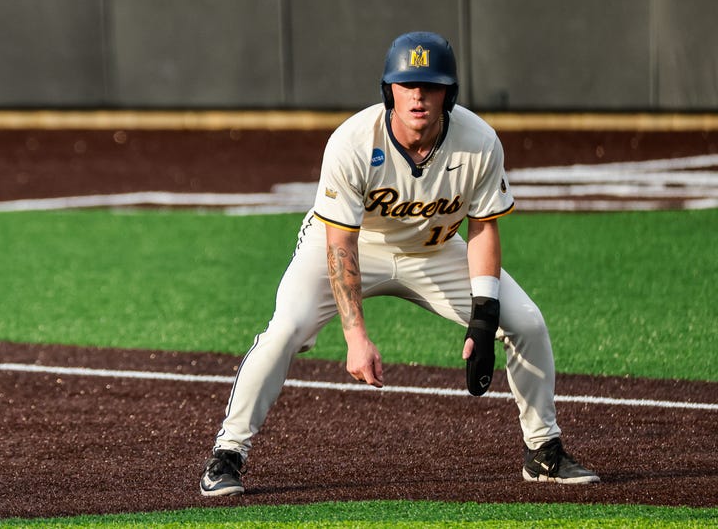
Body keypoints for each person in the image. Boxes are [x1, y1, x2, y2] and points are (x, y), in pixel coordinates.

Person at [198, 31, 598, 496]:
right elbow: (340, 243)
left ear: (449, 92)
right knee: (286, 328)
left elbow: (484, 228)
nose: (418, 95)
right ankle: (227, 455)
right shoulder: (351, 141)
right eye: (406, 84)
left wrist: (485, 318)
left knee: (525, 321)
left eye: (430, 85)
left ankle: (544, 452)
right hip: (350, 247)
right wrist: (356, 337)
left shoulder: (479, 142)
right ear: (388, 89)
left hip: (432, 250)